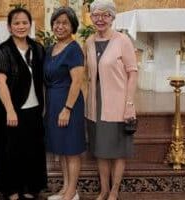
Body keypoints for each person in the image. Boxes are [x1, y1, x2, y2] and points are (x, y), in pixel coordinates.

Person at [84, 0, 138, 200]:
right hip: (95, 105)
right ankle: (103, 189)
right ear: (91, 17)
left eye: (105, 15)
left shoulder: (122, 40)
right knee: (101, 150)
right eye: (96, 15)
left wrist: (129, 104)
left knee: (117, 150)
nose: (100, 19)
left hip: (117, 103)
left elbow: (133, 73)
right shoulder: (89, 41)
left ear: (113, 17)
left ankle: (114, 190)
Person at [0, 7, 47, 200]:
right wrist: (10, 110)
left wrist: (45, 105)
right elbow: (0, 82)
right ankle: (13, 190)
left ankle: (30, 188)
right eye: (16, 23)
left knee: (32, 150)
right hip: (13, 110)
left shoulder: (38, 48)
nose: (21, 26)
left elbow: (43, 80)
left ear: (30, 25)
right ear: (9, 27)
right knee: (12, 151)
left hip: (34, 109)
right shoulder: (3, 51)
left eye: (25, 22)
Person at [44, 7, 86, 200]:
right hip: (53, 103)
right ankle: (65, 186)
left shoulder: (74, 49)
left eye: (64, 23)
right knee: (61, 147)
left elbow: (77, 82)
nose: (60, 26)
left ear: (72, 26)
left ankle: (72, 191)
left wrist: (67, 109)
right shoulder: (51, 48)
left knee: (71, 148)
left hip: (69, 104)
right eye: (57, 23)